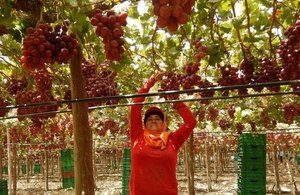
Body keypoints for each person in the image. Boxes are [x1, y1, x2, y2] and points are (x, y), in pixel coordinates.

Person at [129, 72, 197, 195]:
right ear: (144, 124)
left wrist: (177, 103)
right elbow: (135, 106)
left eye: (158, 118)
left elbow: (190, 122)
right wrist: (149, 83)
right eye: (149, 119)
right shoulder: (137, 136)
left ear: (163, 123)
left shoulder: (173, 140)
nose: (153, 120)